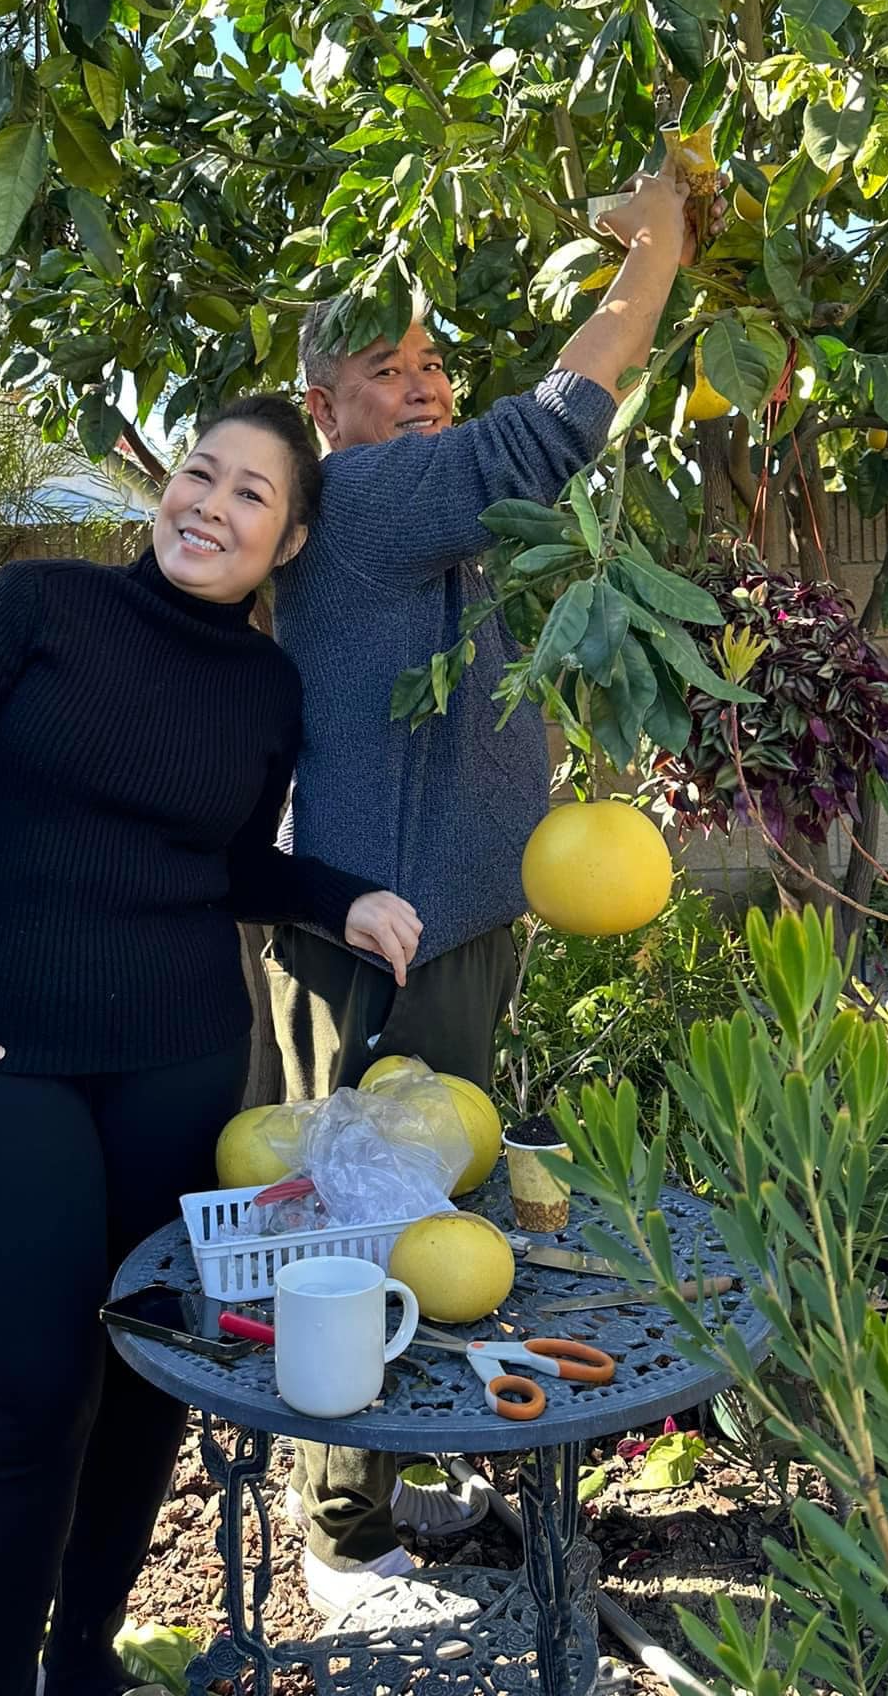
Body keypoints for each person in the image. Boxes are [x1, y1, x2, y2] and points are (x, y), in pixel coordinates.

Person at [0, 395, 422, 1696]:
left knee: (144, 1373)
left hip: (175, 1058)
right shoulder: (37, 611)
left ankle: (86, 1661)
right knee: (30, 1390)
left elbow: (217, 859)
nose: (209, 506)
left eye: (250, 496)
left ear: (286, 545)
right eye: (199, 474)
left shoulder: (266, 688)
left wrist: (337, 897)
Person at [266, 166, 708, 1617]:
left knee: (436, 1200)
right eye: (384, 371)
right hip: (375, 938)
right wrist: (655, 250)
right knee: (350, 1213)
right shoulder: (375, 496)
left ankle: (388, 1467)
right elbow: (561, 420)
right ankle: (345, 1536)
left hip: (451, 921)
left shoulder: (432, 520)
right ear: (324, 407)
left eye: (432, 360)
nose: (422, 386)